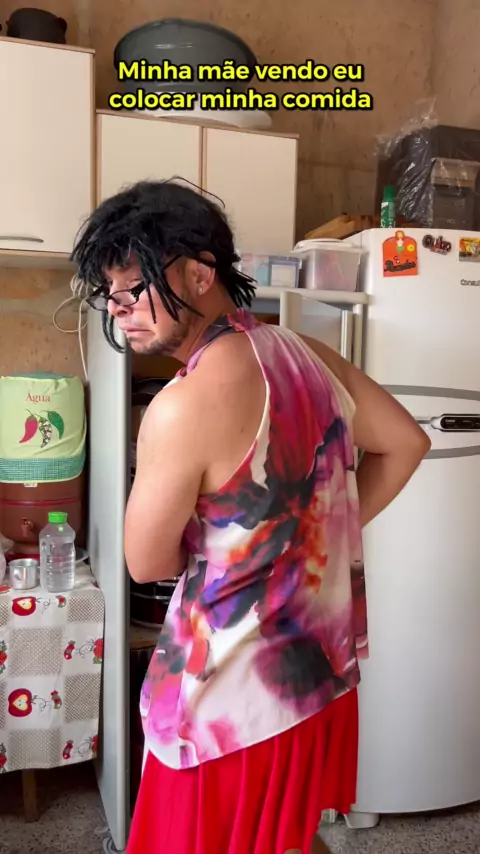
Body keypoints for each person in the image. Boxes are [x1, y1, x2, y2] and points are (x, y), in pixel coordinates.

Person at [71, 179, 431, 854]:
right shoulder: (307, 353)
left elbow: (146, 563)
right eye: (109, 293)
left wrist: (267, 541)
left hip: (225, 702)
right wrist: (313, 536)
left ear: (200, 274)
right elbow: (407, 443)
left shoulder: (180, 407)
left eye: (133, 288)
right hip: (315, 678)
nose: (119, 310)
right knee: (285, 836)